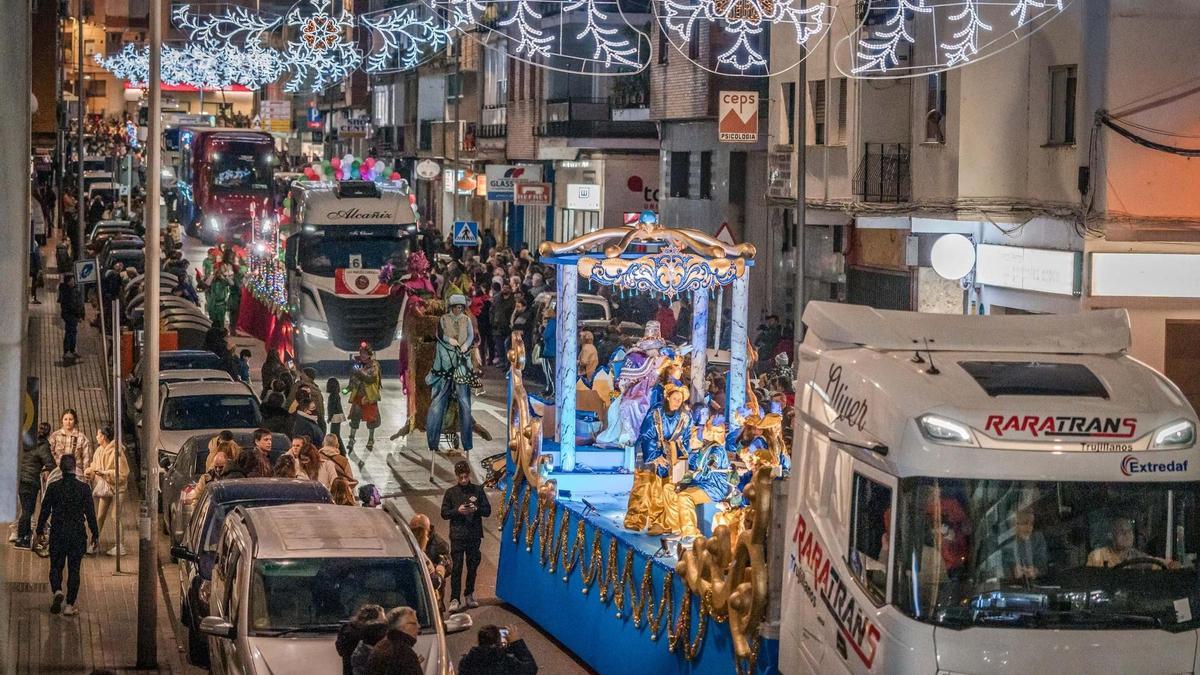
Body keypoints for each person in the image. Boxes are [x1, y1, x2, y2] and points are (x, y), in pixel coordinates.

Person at [35, 455, 99, 617]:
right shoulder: (84, 489)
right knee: (74, 569)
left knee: (56, 566)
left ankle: (57, 589)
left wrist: (39, 530)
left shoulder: (53, 487)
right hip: (77, 534)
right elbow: (90, 513)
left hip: (58, 533)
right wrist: (95, 534)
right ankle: (70, 604)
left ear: (61, 469)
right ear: (74, 469)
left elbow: (44, 510)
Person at [426, 295, 476, 456]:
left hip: (461, 365)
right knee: (437, 404)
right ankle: (432, 441)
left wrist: (466, 345)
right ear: (451, 307)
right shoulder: (443, 319)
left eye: (461, 307)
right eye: (456, 307)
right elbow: (439, 335)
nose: (458, 309)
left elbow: (470, 336)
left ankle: (467, 443)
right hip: (445, 366)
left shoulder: (466, 320)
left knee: (465, 405)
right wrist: (449, 340)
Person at [441, 461, 491, 612]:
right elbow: (444, 513)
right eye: (460, 477)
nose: (463, 480)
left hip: (473, 535)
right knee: (456, 568)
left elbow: (487, 510)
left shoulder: (477, 490)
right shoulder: (451, 493)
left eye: (466, 476)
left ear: (469, 475)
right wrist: (458, 511)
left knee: (472, 566)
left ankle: (469, 594)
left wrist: (476, 509)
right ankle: (454, 598)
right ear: (456, 476)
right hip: (457, 535)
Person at [83, 425, 130, 555]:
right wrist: (90, 472)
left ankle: (120, 545)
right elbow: (94, 465)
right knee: (100, 516)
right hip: (105, 488)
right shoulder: (99, 451)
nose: (96, 437)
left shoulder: (117, 452)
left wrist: (105, 473)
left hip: (118, 489)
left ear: (103, 436)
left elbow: (123, 473)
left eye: (98, 435)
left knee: (115, 516)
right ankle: (94, 542)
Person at [15, 423, 56, 548]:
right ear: (48, 434)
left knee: (26, 509)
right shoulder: (42, 446)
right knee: (28, 510)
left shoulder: (24, 441)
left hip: (20, 479)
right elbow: (51, 464)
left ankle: (25, 536)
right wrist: (45, 470)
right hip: (31, 481)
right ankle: (22, 538)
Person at [1087, 516, 1179, 568]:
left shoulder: (1138, 557)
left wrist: (1170, 564)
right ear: (1111, 535)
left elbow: (1157, 563)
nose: (1127, 535)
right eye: (1122, 531)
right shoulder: (1097, 556)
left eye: (1129, 531)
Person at [458, 624, 538, 675]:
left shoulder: (466, 662)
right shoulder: (506, 661)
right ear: (499, 641)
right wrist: (516, 642)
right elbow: (532, 668)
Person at [366, 606, 423, 675]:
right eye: (414, 623)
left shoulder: (380, 646)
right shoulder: (403, 652)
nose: (419, 626)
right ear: (402, 626)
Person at [347, 343, 383, 451]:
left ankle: (371, 439)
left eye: (365, 353)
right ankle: (352, 438)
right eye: (361, 353)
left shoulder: (374, 365)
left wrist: (359, 373)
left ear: (369, 354)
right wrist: (349, 387)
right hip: (358, 396)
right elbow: (353, 379)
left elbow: (371, 378)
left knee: (371, 419)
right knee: (354, 417)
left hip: (369, 396)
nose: (362, 355)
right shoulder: (357, 364)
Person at [409, 513, 450, 608]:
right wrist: (440, 569)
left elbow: (449, 565)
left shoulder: (439, 544)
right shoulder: (421, 557)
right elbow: (435, 582)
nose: (427, 538)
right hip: (426, 601)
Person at [336, 604, 388, 675]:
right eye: (382, 620)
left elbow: (340, 650)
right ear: (373, 621)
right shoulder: (371, 638)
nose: (385, 621)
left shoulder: (346, 632)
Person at [1002, 508, 1049, 580]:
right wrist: (1013, 571)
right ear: (1014, 525)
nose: (1030, 527)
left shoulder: (1038, 538)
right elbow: (998, 567)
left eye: (1032, 523)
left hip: (1035, 585)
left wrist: (1035, 571)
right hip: (1008, 585)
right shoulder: (1004, 540)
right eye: (1025, 523)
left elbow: (1043, 564)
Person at [49, 408, 91, 475]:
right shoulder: (55, 436)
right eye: (65, 419)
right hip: (58, 472)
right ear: (62, 420)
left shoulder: (82, 437)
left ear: (75, 421)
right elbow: (49, 454)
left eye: (71, 419)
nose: (68, 422)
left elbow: (86, 458)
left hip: (76, 472)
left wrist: (85, 473)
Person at [58, 273, 85, 361]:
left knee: (73, 332)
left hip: (73, 315)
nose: (73, 281)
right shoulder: (67, 292)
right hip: (70, 315)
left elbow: (80, 303)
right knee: (70, 332)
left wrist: (81, 314)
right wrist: (78, 314)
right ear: (68, 282)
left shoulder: (75, 290)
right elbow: (72, 304)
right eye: (71, 280)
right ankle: (67, 351)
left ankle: (72, 350)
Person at [327, 377, 346, 443]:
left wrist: (329, 417)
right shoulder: (336, 394)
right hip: (338, 415)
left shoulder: (332, 396)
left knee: (335, 435)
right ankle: (340, 449)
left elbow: (332, 407)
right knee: (336, 434)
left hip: (335, 416)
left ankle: (341, 449)